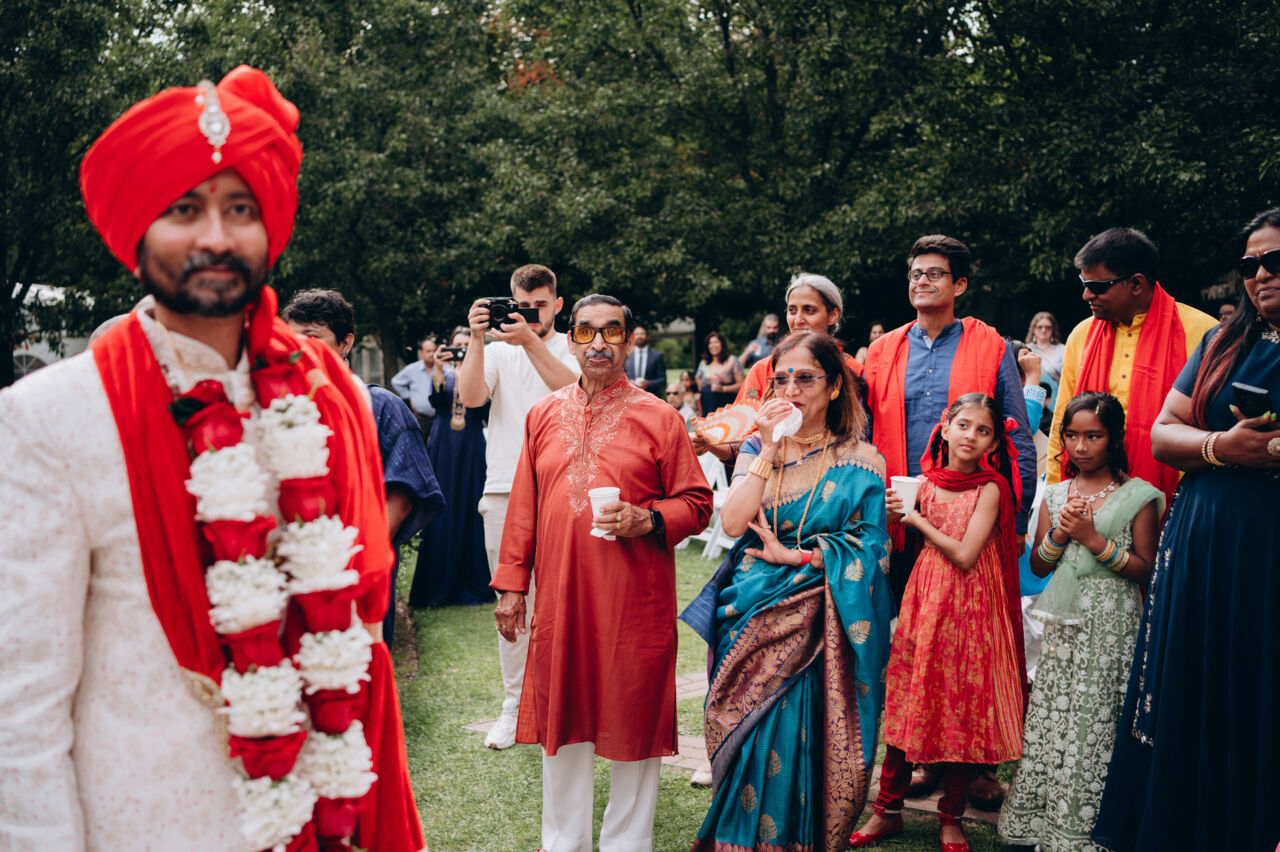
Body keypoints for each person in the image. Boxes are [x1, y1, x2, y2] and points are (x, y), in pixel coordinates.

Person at [0, 68, 422, 850]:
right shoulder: (51, 416)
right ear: (138, 229)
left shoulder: (326, 392)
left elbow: (360, 628)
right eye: (184, 209)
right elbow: (19, 700)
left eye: (241, 209)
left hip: (326, 812)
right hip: (147, 823)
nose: (217, 238)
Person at [491, 294, 713, 852]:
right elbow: (523, 506)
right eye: (586, 332)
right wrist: (512, 585)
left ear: (629, 342)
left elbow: (697, 502)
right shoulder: (543, 414)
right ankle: (563, 842)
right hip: (561, 599)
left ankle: (626, 843)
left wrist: (648, 518)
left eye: (611, 332)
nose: (598, 343)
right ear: (569, 340)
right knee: (562, 716)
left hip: (633, 602)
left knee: (633, 718)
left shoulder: (660, 418)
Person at [1092, 209, 1280, 852]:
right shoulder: (1224, 343)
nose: (1260, 274)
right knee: (1199, 684)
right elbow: (1162, 432)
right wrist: (1222, 446)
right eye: (1250, 264)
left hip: (1268, 552)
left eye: (1275, 261)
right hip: (1205, 542)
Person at [683, 332, 892, 852]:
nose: (791, 389)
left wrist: (796, 557)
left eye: (805, 378)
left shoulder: (863, 459)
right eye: (781, 379)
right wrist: (770, 446)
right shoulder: (758, 447)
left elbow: (873, 552)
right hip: (750, 608)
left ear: (835, 386)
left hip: (820, 616)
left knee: (802, 733)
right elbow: (733, 523)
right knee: (748, 735)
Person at [851, 394, 1025, 852]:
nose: (971, 436)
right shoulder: (923, 484)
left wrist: (917, 521)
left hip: (973, 604)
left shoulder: (991, 488)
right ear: (944, 429)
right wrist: (893, 517)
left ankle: (952, 816)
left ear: (993, 443)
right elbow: (891, 539)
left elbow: (966, 554)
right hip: (926, 600)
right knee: (910, 697)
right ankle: (886, 810)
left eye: (983, 430)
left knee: (961, 705)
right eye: (963, 425)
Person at [999, 392, 1162, 851]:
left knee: (1097, 719)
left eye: (1093, 436)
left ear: (1114, 439)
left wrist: (1092, 539)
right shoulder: (1055, 493)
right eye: (1071, 435)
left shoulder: (1139, 496)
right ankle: (1045, 821)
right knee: (1056, 714)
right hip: (1063, 626)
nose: (1080, 446)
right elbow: (1039, 563)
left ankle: (1089, 828)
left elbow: (1146, 570)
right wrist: (1059, 532)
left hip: (1110, 623)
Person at [456, 263, 581, 749]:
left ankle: (561, 700)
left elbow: (575, 394)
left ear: (558, 304)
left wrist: (529, 341)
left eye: (540, 306)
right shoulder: (495, 350)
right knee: (510, 602)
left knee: (566, 602)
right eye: (522, 306)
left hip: (566, 488)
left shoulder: (576, 343)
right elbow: (471, 398)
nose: (531, 315)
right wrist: (475, 338)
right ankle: (513, 704)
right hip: (505, 488)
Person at [283, 288, 445, 647]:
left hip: (358, 562)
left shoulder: (380, 406)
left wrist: (352, 558)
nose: (301, 348)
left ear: (346, 342)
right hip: (295, 562)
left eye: (312, 337)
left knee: (360, 661)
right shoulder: (281, 405)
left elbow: (401, 496)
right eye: (293, 338)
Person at [1046, 227, 1217, 508]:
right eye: (1084, 283)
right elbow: (1062, 421)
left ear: (1136, 284)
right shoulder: (1082, 335)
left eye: (1097, 286)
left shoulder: (1204, 333)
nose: (1086, 295)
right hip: (1090, 501)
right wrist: (1055, 492)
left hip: (1179, 499)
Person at [410, 327, 492, 607]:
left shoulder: (484, 374)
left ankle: (473, 582)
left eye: (467, 345)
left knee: (472, 507)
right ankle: (439, 584)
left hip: (471, 447)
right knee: (443, 509)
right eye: (457, 344)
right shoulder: (442, 373)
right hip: (444, 447)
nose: (461, 349)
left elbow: (485, 411)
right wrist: (437, 368)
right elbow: (435, 402)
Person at [735, 273, 864, 406]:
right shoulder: (762, 369)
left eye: (809, 310)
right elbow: (743, 415)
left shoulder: (853, 370)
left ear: (833, 316)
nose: (798, 320)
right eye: (792, 310)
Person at [392, 336, 440, 439]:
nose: (432, 354)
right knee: (419, 443)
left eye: (434, 351)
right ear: (421, 353)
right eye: (428, 351)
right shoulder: (412, 369)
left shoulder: (443, 368)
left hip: (440, 417)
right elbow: (395, 381)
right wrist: (409, 396)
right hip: (420, 418)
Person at [697, 330, 743, 413]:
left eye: (716, 342)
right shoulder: (703, 363)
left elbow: (741, 385)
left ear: (722, 344)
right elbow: (699, 384)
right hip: (708, 405)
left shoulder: (732, 360)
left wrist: (723, 389)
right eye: (710, 343)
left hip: (727, 404)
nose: (713, 345)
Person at [625, 324, 666, 396]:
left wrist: (650, 383)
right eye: (636, 334)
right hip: (630, 395)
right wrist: (629, 382)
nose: (639, 336)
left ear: (647, 337)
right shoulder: (626, 355)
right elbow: (619, 376)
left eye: (642, 334)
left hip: (651, 395)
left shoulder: (656, 355)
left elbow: (663, 379)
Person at [1025, 311, 1067, 382]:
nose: (1043, 330)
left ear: (1053, 329)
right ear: (1034, 329)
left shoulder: (1063, 349)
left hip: (1058, 388)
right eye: (1040, 327)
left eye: (1048, 327)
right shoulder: (1026, 350)